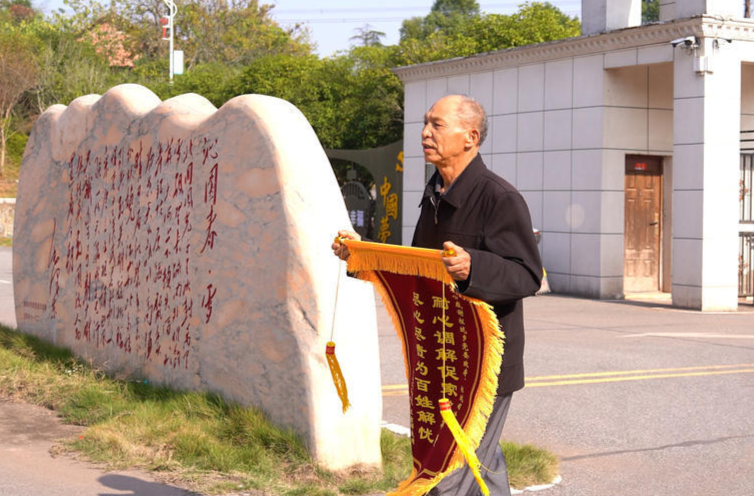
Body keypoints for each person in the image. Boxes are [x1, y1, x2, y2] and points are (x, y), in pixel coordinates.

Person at [333, 94, 542, 496]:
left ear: (471, 136)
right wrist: (360, 254)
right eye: (425, 124)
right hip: (440, 359)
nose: (425, 133)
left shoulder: (499, 198)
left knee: (451, 471)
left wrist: (474, 268)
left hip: (481, 365)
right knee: (480, 463)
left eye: (437, 124)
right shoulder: (433, 196)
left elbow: (527, 275)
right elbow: (418, 272)